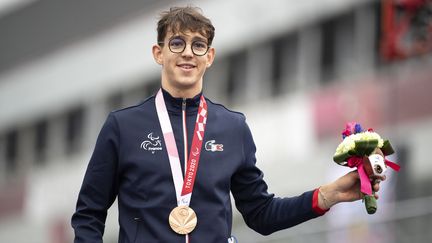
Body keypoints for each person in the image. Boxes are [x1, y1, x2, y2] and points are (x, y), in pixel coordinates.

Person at [71, 6, 385, 243]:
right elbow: (89, 214)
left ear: (209, 56)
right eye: (177, 43)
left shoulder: (232, 127)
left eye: (198, 45)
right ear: (159, 53)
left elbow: (260, 214)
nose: (188, 54)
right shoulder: (123, 126)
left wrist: (327, 195)